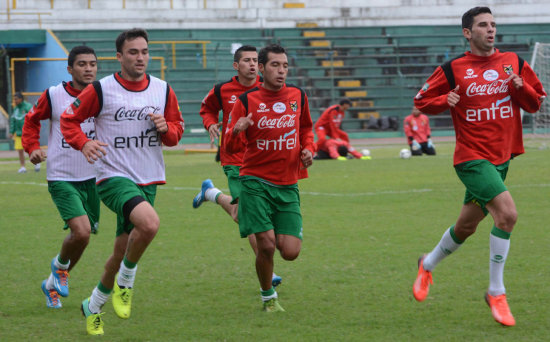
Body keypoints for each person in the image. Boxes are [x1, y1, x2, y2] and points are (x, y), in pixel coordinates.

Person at [412, 6, 546, 327]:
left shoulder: (514, 62)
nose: (490, 29)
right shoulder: (453, 68)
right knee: (508, 215)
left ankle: (426, 265)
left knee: (466, 227)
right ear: (467, 33)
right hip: (471, 158)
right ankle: (496, 292)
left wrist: (520, 87)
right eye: (483, 25)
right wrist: (445, 101)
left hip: (501, 159)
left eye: (493, 24)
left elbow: (536, 101)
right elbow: (421, 101)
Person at [60, 28, 184, 336]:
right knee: (151, 224)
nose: (140, 57)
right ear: (119, 56)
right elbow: (68, 119)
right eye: (133, 52)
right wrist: (83, 143)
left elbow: (175, 134)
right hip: (113, 177)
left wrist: (166, 127)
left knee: (119, 252)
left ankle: (94, 303)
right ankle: (126, 282)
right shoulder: (101, 89)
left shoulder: (162, 89)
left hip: (148, 179)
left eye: (144, 51)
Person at [224, 44, 315, 312]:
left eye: (285, 65)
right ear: (262, 68)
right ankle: (268, 298)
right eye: (275, 65)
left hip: (288, 184)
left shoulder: (298, 95)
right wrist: (237, 131)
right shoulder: (246, 101)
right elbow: (228, 148)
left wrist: (309, 149)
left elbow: (306, 128)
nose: (282, 71)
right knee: (266, 244)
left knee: (290, 251)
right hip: (255, 182)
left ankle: (215, 197)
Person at [192, 45, 282, 287]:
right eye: (247, 61)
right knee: (251, 215)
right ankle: (268, 272)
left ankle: (211, 193)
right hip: (234, 160)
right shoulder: (223, 89)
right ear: (236, 66)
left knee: (240, 214)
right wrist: (211, 123)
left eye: (255, 60)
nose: (252, 64)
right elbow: (207, 109)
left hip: (262, 159)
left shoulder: (268, 88)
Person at [21, 46, 99, 310]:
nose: (88, 69)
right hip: (62, 176)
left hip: (94, 177)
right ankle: (59, 268)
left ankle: (51, 283)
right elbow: (31, 121)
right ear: (70, 69)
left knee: (82, 239)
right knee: (82, 232)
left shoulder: (103, 94)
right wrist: (32, 147)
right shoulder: (54, 95)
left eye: (92, 64)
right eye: (82, 64)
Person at [9, 92, 38, 173]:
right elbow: (13, 121)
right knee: (20, 151)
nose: (14, 101)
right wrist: (12, 131)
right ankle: (22, 167)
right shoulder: (15, 109)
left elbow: (33, 118)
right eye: (14, 99)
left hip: (28, 133)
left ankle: (36, 163)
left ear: (21, 99)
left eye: (16, 99)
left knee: (31, 149)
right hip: (18, 134)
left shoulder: (28, 106)